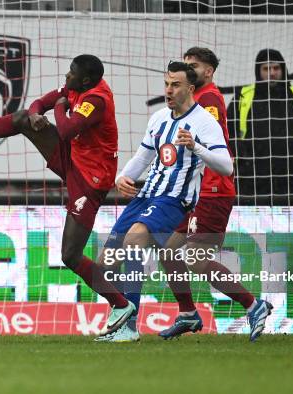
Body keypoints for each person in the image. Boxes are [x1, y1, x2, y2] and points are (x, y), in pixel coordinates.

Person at [0, 54, 135, 335]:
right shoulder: (76, 87)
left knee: (70, 255)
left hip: (91, 180)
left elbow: (67, 129)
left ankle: (121, 305)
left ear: (86, 80)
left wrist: (57, 109)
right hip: (74, 159)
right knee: (22, 118)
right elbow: (40, 104)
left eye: (71, 74)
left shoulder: (96, 99)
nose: (66, 77)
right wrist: (36, 114)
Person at [96, 61, 235, 342]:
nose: (169, 90)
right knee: (103, 265)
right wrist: (123, 177)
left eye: (175, 85)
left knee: (134, 240)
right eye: (167, 84)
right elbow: (144, 156)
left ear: (190, 88)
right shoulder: (159, 117)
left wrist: (196, 146)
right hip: (146, 194)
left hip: (175, 199)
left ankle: (130, 325)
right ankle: (122, 309)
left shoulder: (204, 122)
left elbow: (226, 166)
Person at [157, 48, 272, 342]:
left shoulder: (208, 100)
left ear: (208, 72)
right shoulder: (193, 99)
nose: (188, 68)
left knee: (195, 259)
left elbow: (206, 145)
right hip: (193, 191)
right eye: (187, 64)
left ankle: (253, 305)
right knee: (169, 248)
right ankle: (187, 314)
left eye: (194, 65)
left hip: (212, 190)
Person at [227, 48, 293, 204]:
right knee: (252, 227)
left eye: (276, 68)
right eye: (266, 68)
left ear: (283, 69)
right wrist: (243, 158)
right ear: (258, 71)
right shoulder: (243, 96)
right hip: (251, 180)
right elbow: (227, 132)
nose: (272, 73)